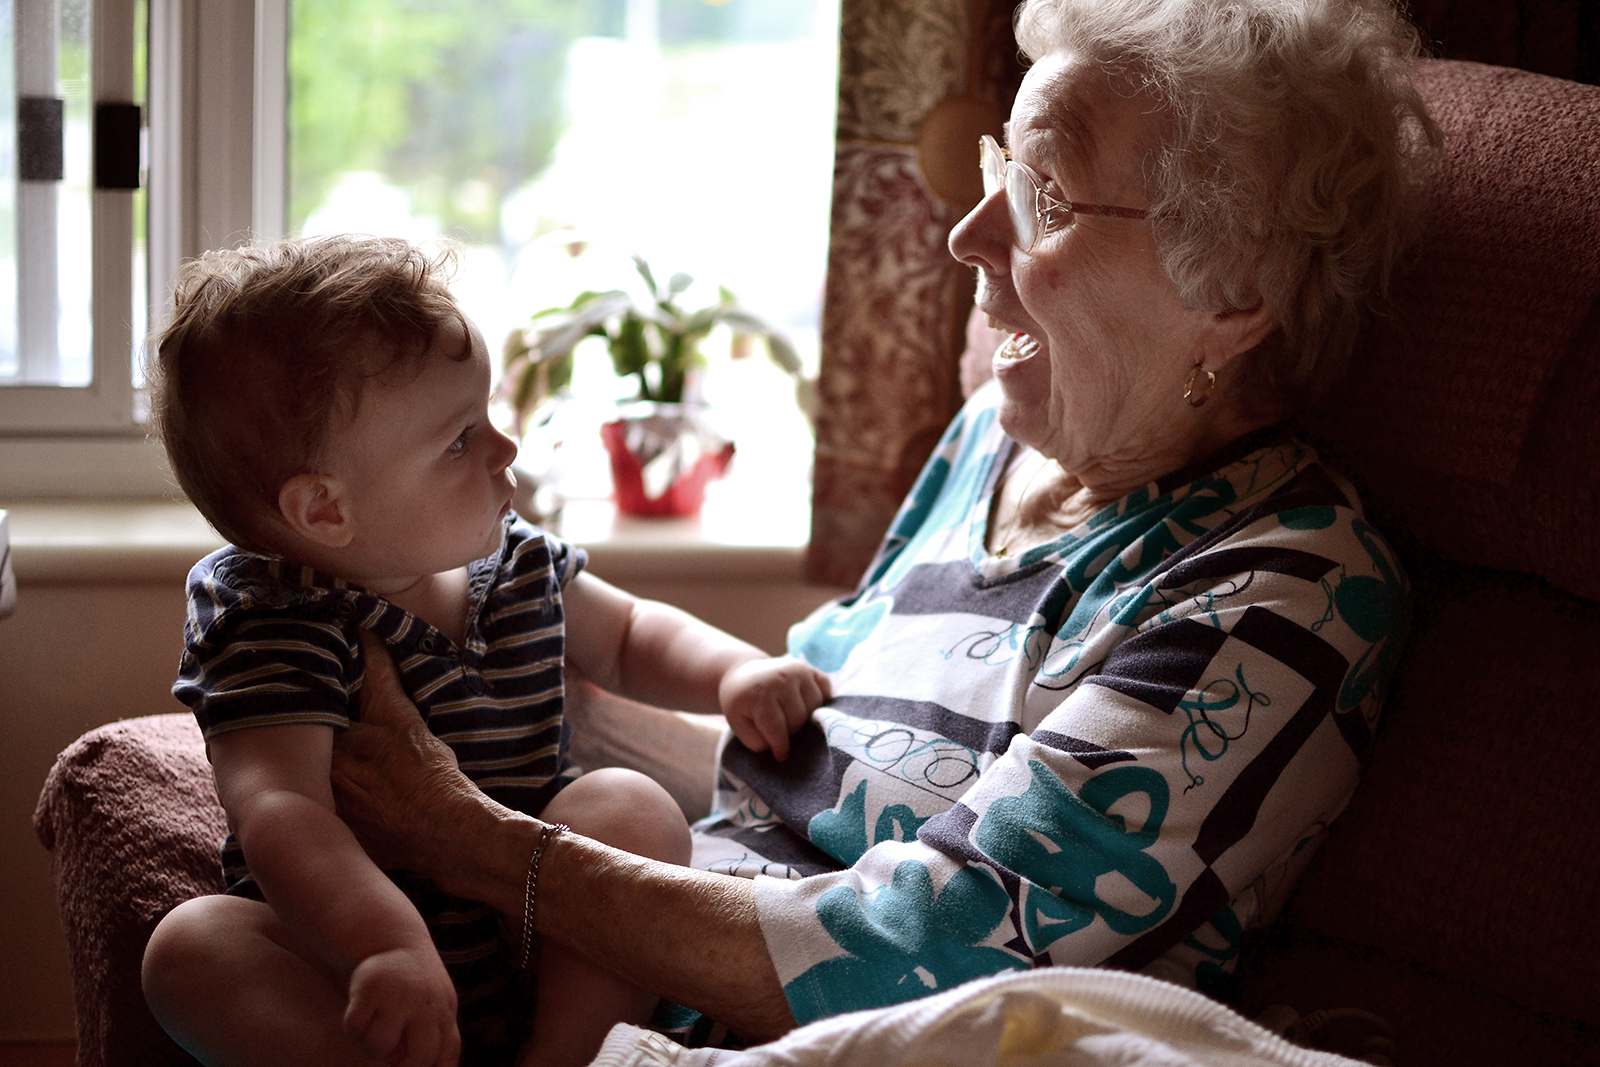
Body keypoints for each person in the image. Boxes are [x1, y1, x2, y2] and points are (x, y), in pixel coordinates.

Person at [327, 0, 1437, 1047]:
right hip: (626, 970)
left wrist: (472, 838)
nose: (965, 231)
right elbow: (803, 767)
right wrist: (490, 693)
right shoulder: (989, 446)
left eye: (1047, 193)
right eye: (1005, 165)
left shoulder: (1281, 593)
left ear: (1232, 292)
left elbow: (926, 955)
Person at [138, 235, 833, 1067]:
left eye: (489, 416)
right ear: (325, 510)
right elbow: (279, 808)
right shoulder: (269, 612)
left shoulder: (513, 558)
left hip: (535, 928)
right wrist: (386, 946)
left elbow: (631, 633)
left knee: (629, 805)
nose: (505, 449)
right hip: (352, 965)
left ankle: (564, 1055)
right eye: (460, 440)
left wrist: (735, 672)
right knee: (189, 949)